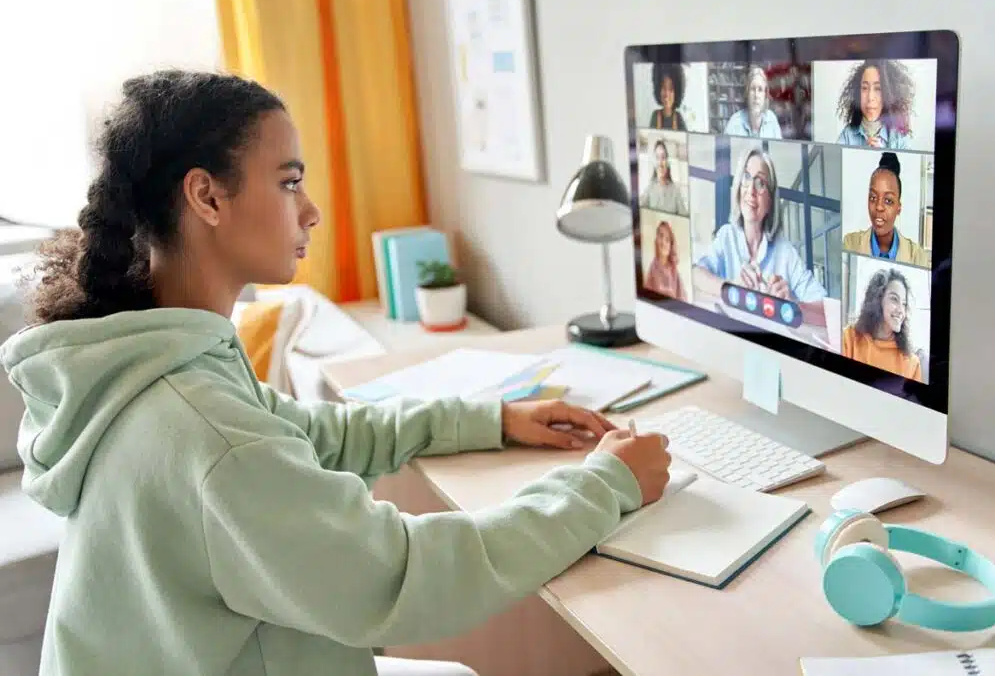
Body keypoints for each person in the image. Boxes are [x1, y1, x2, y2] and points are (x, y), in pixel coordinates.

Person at [0, 70, 672, 676]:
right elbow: (407, 576)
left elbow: (309, 433)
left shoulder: (160, 365)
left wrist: (490, 419)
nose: (312, 210)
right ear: (206, 195)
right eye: (289, 182)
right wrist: (606, 485)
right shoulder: (205, 428)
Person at [692, 147, 828, 326]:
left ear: (770, 200)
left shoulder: (785, 252)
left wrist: (792, 306)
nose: (750, 190)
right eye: (746, 177)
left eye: (760, 183)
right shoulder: (727, 236)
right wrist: (731, 289)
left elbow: (826, 311)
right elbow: (695, 273)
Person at [843, 152, 929, 267]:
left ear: (898, 208)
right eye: (873, 198)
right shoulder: (850, 244)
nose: (878, 207)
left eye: (888, 201)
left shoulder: (918, 257)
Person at [842, 268, 923, 381]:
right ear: (877, 300)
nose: (901, 310)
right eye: (894, 299)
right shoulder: (849, 338)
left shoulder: (911, 363)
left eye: (904, 304)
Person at [835, 59, 915, 149]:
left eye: (878, 88)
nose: (870, 97)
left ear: (888, 94)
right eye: (864, 88)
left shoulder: (900, 138)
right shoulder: (847, 135)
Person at [723, 65, 782, 139]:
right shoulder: (734, 122)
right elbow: (725, 150)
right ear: (747, 94)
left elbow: (779, 149)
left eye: (760, 90)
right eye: (753, 89)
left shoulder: (772, 119)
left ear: (765, 95)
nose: (756, 95)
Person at [639, 140, 688, 215]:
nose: (660, 163)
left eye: (663, 157)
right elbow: (640, 210)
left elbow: (685, 217)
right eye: (657, 157)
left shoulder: (676, 191)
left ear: (668, 163)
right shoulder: (650, 188)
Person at [644, 220, 687, 300]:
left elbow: (683, 299)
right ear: (656, 240)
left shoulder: (674, 271)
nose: (663, 242)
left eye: (667, 240)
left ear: (671, 246)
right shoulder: (652, 269)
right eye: (661, 236)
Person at [649, 63, 687, 131]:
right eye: (663, 87)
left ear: (677, 93)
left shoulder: (678, 117)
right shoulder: (655, 115)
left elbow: (686, 139)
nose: (666, 94)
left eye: (671, 89)